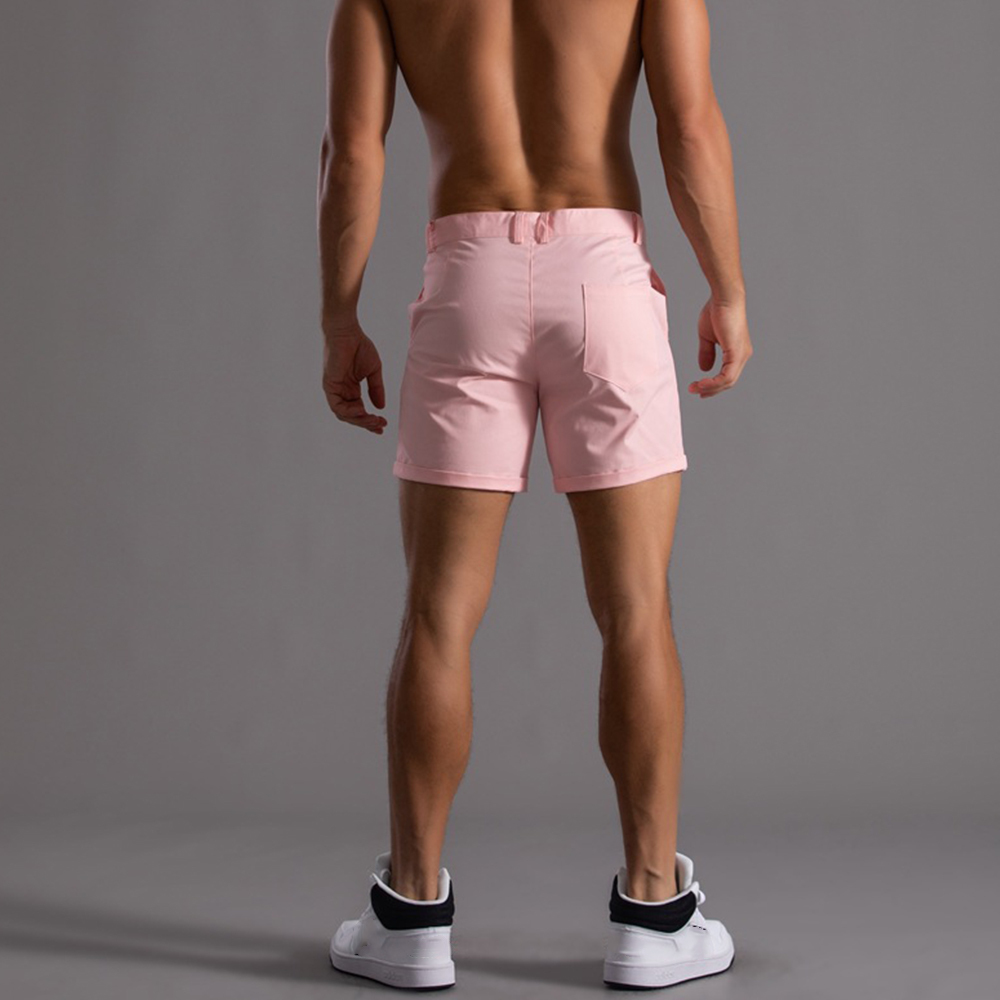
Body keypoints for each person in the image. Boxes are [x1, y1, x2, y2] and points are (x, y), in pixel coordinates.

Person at [317, 0, 751, 989]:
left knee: (437, 616)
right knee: (636, 610)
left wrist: (339, 317)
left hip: (466, 273)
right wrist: (726, 288)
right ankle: (653, 915)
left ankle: (410, 918)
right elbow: (688, 123)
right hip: (602, 275)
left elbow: (352, 150)